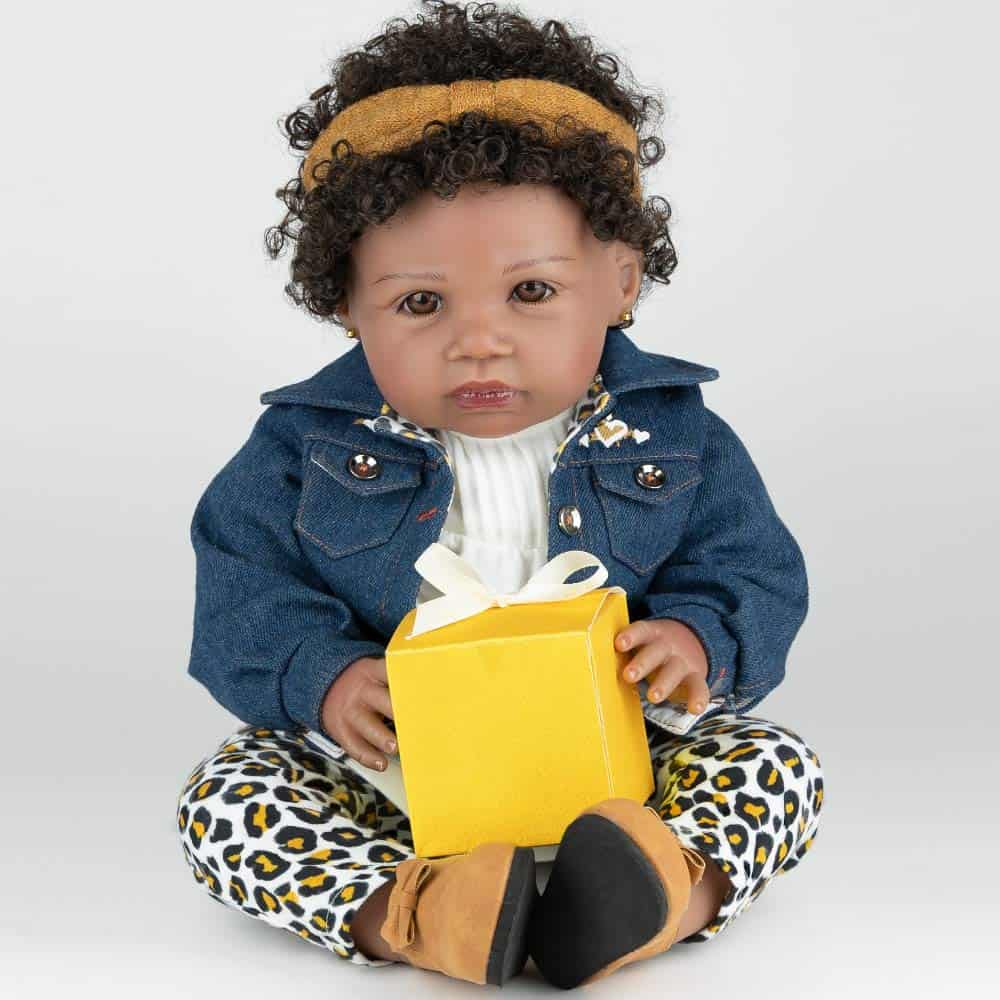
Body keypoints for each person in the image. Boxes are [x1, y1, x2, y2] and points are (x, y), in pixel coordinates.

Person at [176, 1, 824, 988]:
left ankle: (656, 890)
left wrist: (697, 640)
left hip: (623, 761)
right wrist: (325, 679)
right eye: (420, 303)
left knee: (775, 765)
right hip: (399, 772)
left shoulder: (673, 435)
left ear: (619, 281)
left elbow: (751, 567)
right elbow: (242, 590)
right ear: (346, 304)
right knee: (228, 795)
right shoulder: (303, 450)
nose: (478, 341)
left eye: (530, 292)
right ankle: (425, 912)